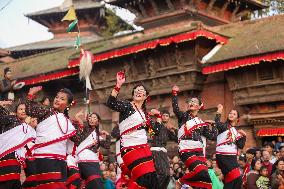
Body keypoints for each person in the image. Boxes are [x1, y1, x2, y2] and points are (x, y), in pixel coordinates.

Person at [106, 71, 162, 189]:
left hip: (144, 148)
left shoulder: (144, 115)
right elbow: (111, 103)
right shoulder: (127, 106)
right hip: (130, 148)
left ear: (146, 96)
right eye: (136, 90)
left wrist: (159, 117)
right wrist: (118, 85)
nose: (138, 91)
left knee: (152, 180)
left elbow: (153, 132)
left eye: (141, 90)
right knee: (143, 177)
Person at [25, 86, 77, 188]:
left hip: (61, 160)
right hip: (45, 158)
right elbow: (29, 110)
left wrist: (79, 123)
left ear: (67, 104)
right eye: (57, 97)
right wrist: (30, 95)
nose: (57, 99)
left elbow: (78, 139)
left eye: (62, 99)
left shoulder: (67, 122)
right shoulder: (47, 111)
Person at [172, 85, 217, 189]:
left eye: (194, 101)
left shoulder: (201, 123)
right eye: (190, 101)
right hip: (186, 148)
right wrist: (174, 94)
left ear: (200, 106)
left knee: (204, 177)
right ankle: (180, 181)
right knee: (200, 170)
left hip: (199, 150)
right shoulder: (184, 117)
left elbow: (213, 137)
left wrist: (214, 126)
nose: (191, 103)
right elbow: (175, 108)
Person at [0, 101, 36, 189]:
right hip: (7, 154)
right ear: (16, 112)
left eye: (25, 109)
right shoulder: (12, 119)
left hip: (16, 158)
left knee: (14, 180)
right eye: (20, 109)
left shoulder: (28, 127)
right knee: (8, 180)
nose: (23, 111)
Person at [73, 112, 111, 189]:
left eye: (94, 118)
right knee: (94, 182)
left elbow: (107, 145)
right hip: (84, 158)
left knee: (96, 181)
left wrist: (108, 135)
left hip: (94, 160)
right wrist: (77, 115)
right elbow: (80, 122)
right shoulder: (86, 128)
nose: (91, 119)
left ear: (98, 121)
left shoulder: (97, 136)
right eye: (90, 118)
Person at [215, 104, 246, 189]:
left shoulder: (236, 131)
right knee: (236, 177)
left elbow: (241, 145)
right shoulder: (224, 126)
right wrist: (219, 111)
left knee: (235, 179)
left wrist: (244, 136)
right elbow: (217, 124)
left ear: (237, 119)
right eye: (230, 113)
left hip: (232, 157)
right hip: (223, 155)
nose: (231, 115)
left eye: (234, 114)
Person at [151, 109, 178, 189]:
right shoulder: (154, 124)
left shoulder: (167, 130)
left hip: (163, 152)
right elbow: (152, 133)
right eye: (163, 115)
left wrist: (174, 129)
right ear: (160, 116)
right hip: (155, 150)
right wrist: (157, 121)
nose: (165, 117)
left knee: (168, 174)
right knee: (162, 173)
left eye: (167, 116)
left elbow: (177, 139)